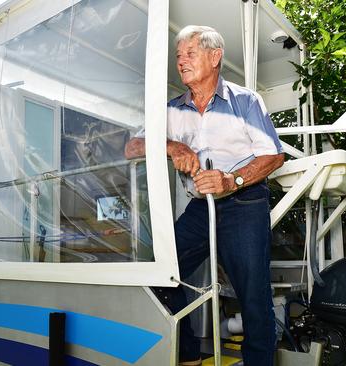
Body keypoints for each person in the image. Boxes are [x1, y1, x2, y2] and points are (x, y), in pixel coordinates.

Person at [125, 25, 284, 366]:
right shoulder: (171, 110)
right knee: (160, 276)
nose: (181, 61)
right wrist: (171, 145)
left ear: (214, 57)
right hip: (200, 208)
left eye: (190, 53)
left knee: (253, 297)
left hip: (245, 204)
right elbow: (132, 147)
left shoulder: (245, 101)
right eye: (179, 55)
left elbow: (272, 155)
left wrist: (233, 179)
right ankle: (189, 357)